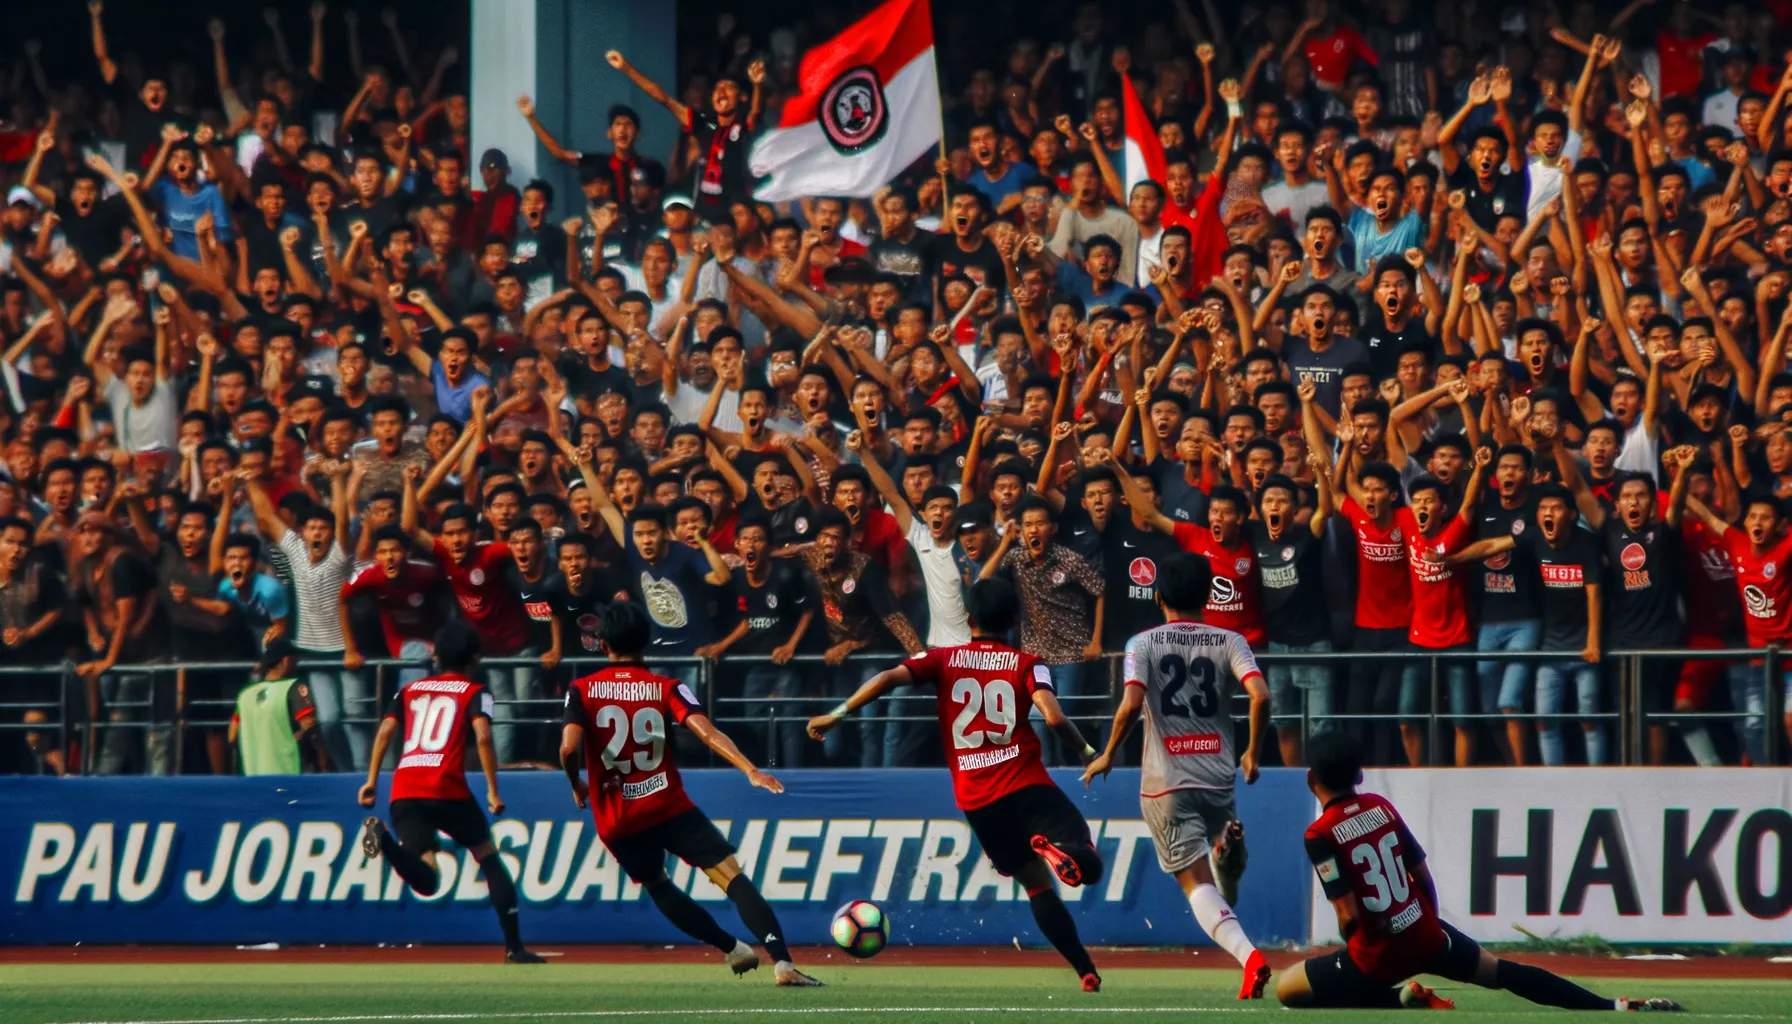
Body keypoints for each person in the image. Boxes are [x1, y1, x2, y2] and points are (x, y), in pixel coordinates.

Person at [808, 578, 1107, 992]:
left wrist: (836, 714)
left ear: (969, 619)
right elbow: (1053, 718)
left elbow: (885, 679)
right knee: (1088, 863)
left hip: (978, 800)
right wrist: (1089, 750)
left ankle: (1084, 970)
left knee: (1038, 885)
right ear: (1015, 619)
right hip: (1026, 783)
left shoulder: (943, 659)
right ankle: (1055, 847)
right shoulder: (1028, 663)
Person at [1277, 731, 1681, 1013]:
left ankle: (1399, 997)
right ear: (1359, 775)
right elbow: (1421, 871)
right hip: (1427, 934)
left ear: (1312, 778)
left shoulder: (1319, 833)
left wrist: (1363, 939)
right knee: (1502, 972)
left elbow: (1349, 918)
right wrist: (1430, 924)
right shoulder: (1381, 806)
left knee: (1288, 989)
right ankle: (1613, 1005)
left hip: (1378, 959)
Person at [560, 601, 821, 987]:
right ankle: (783, 965)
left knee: (658, 885)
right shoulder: (666, 686)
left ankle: (731, 948)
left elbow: (568, 749)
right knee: (732, 878)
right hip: (667, 806)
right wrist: (750, 770)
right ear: (646, 641)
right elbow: (707, 731)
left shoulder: (581, 689)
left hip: (618, 819)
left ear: (603, 644)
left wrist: (576, 783)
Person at [1081, 553, 1272, 1000]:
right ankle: (1229, 858)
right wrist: (1252, 752)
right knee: (1221, 871)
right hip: (1217, 776)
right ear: (1209, 595)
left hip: (1166, 783)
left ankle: (1250, 957)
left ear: (1157, 596)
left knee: (1195, 885)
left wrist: (1108, 753)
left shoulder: (1142, 643)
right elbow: (1260, 695)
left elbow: (1131, 704)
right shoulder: (1230, 640)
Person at [357, 624, 544, 964]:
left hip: (405, 789)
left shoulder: (409, 690)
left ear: (436, 656)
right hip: (446, 788)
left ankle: (386, 843)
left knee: (426, 879)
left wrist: (371, 780)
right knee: (487, 855)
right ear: (476, 657)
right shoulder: (476, 692)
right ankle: (515, 947)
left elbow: (384, 731)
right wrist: (492, 790)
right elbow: (484, 737)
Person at [230, 638, 330, 775]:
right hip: (290, 776)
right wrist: (323, 765)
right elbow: (310, 727)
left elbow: (232, 736)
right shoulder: (295, 688)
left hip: (253, 775)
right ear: (287, 660)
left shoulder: (245, 694)